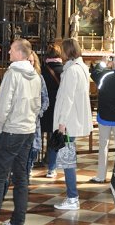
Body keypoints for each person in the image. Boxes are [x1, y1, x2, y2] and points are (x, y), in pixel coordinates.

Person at [0, 38, 41, 225]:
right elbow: (37, 105)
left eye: (12, 49)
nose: (8, 52)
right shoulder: (35, 75)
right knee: (21, 178)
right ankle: (18, 220)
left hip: (12, 130)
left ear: (20, 53)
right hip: (28, 131)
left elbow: (3, 104)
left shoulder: (12, 73)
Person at [53, 38, 93, 211]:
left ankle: (72, 197)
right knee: (67, 158)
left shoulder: (71, 71)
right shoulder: (81, 68)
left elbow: (68, 98)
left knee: (67, 161)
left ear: (67, 51)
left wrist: (62, 122)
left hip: (69, 121)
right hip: (73, 119)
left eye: (62, 49)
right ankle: (72, 196)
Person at [90, 53, 115, 183]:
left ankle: (101, 176)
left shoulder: (106, 76)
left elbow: (94, 74)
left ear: (113, 64)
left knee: (103, 146)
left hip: (105, 117)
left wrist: (102, 63)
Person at [41, 43, 64, 178]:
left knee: (40, 133)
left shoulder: (42, 70)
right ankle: (51, 165)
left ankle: (35, 159)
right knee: (54, 135)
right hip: (58, 107)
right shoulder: (64, 70)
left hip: (45, 106)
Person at [26, 51, 49, 181]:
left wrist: (39, 112)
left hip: (34, 121)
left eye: (31, 61)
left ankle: (28, 169)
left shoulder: (39, 78)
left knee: (33, 149)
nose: (30, 63)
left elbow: (45, 99)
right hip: (21, 121)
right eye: (27, 61)